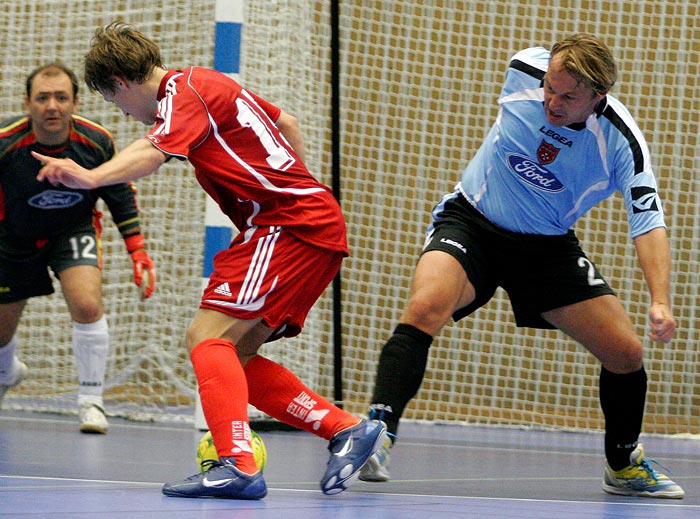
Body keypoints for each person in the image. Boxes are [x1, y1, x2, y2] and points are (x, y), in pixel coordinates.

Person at [34, 21, 386, 500]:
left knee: (205, 336)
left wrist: (91, 178)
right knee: (233, 353)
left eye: (114, 100)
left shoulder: (182, 91)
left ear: (120, 83)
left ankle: (237, 464)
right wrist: (304, 190)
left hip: (287, 225)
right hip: (305, 222)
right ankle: (345, 429)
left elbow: (152, 151)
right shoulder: (212, 84)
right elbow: (287, 125)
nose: (122, 110)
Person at [360, 34, 685, 499]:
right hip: (472, 221)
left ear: (598, 97)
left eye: (569, 96)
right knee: (426, 304)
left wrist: (660, 300)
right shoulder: (524, 71)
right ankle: (377, 433)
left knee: (626, 352)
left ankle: (623, 463)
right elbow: (542, 82)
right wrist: (549, 85)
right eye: (551, 87)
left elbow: (648, 223)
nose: (552, 101)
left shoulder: (621, 144)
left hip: (545, 247)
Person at [0, 62, 156, 434]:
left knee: (87, 304)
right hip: (12, 240)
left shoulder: (96, 142)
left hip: (73, 229)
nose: (51, 106)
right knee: (1, 335)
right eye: (42, 98)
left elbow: (118, 191)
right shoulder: (6, 144)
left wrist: (137, 250)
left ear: (74, 102)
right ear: (27, 102)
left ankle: (91, 401)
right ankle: (8, 371)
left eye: (60, 97)